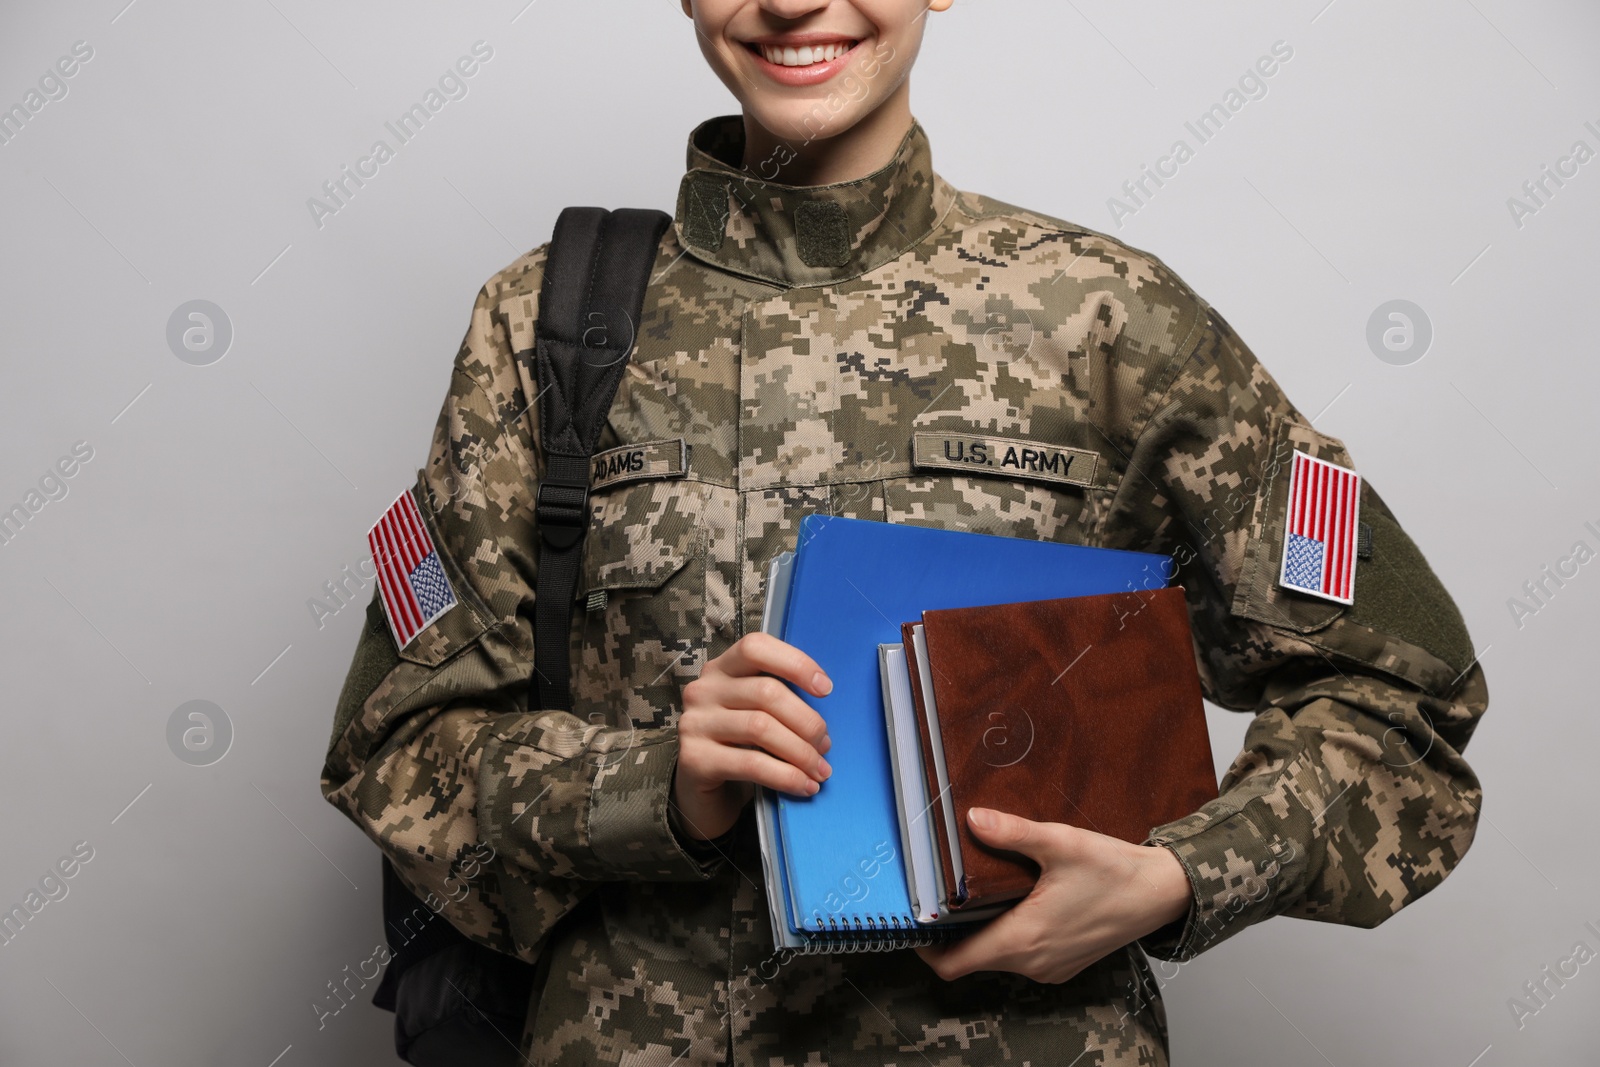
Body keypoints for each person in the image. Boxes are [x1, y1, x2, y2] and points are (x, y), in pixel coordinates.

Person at [320, 1, 1489, 1063]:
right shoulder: (542, 328)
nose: (789, 3)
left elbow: (1404, 701)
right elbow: (394, 748)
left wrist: (1180, 877)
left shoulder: (1106, 318)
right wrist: (652, 785)